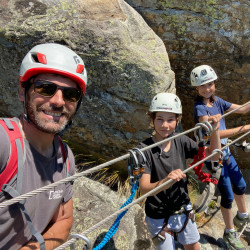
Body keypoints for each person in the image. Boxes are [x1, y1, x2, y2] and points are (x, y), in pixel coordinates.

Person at [0, 43, 87, 250]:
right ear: (23, 92)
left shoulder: (65, 158)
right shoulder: (4, 143)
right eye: (45, 88)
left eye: (70, 94)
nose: (58, 101)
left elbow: (63, 220)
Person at [138, 93, 221, 250]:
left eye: (170, 120)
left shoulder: (180, 140)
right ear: (152, 120)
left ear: (177, 122)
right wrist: (166, 180)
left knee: (193, 246)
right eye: (160, 119)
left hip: (181, 208)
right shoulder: (145, 150)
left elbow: (214, 155)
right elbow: (144, 189)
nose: (165, 125)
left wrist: (215, 131)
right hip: (158, 214)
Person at [190, 65, 250, 250]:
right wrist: (246, 129)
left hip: (226, 153)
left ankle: (242, 217)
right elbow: (218, 133)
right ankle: (230, 232)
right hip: (214, 158)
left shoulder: (218, 102)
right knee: (228, 196)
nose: (207, 89)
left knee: (241, 185)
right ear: (197, 88)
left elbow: (242, 109)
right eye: (203, 86)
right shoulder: (200, 109)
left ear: (214, 83)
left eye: (210, 84)